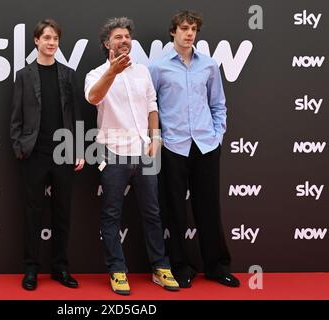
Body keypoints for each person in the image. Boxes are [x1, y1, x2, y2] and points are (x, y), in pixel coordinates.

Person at [84, 17, 179, 295]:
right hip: (113, 152)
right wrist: (112, 72)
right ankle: (117, 270)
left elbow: (152, 104)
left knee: (152, 212)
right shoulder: (96, 73)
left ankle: (161, 268)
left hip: (145, 151)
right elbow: (93, 98)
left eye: (127, 36)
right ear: (106, 43)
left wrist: (156, 137)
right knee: (111, 214)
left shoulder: (143, 73)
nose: (124, 41)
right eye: (117, 37)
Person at [148, 10, 240, 288]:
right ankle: (180, 266)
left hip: (206, 144)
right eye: (185, 28)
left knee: (209, 207)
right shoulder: (158, 67)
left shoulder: (210, 65)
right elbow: (151, 107)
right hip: (173, 146)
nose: (189, 33)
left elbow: (218, 104)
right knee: (174, 210)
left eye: (194, 29)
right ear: (173, 31)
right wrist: (158, 137)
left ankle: (216, 266)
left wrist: (217, 135)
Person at [10, 18, 84, 291]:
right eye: (46, 38)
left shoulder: (67, 74)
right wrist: (20, 148)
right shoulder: (24, 75)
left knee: (62, 213)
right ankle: (31, 269)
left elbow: (74, 114)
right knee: (33, 213)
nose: (51, 43)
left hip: (64, 153)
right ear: (36, 41)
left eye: (55, 39)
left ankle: (60, 268)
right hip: (34, 154)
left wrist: (79, 150)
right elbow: (16, 115)